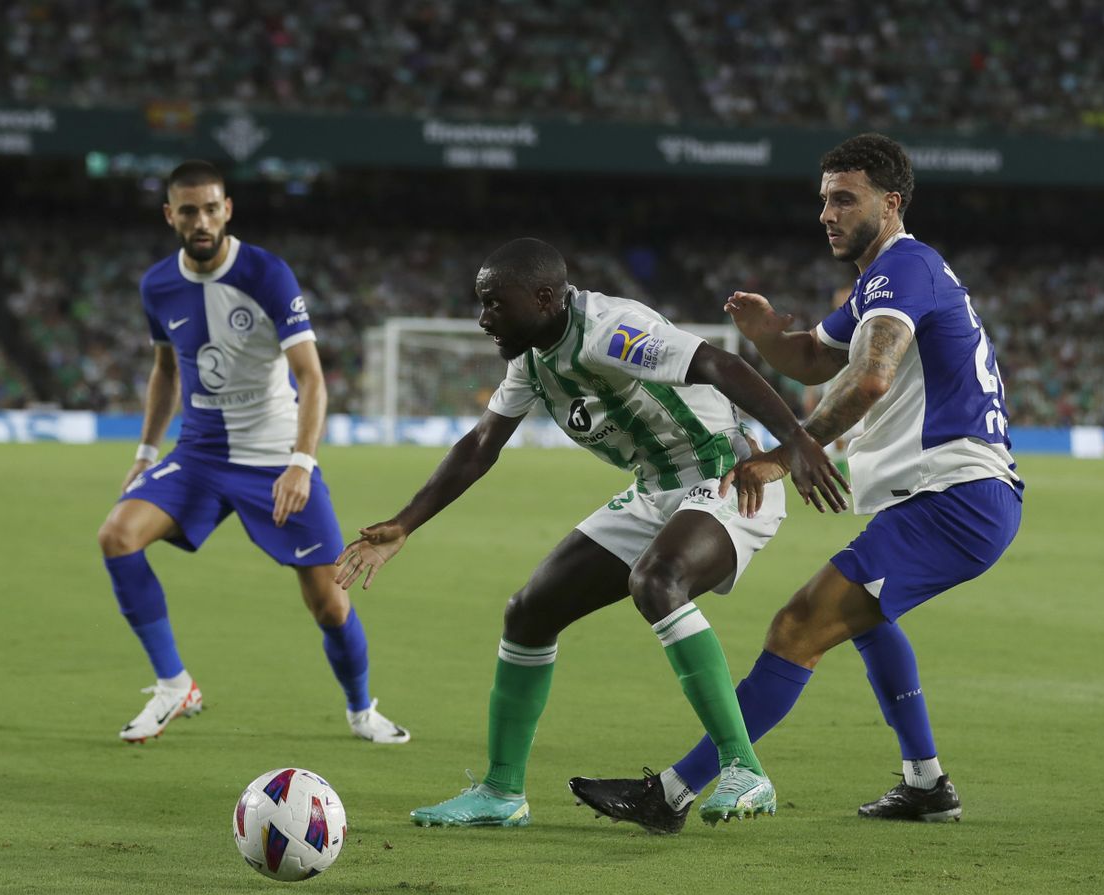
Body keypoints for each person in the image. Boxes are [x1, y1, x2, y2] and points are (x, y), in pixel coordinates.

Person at [570, 133, 1023, 831]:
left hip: (954, 497)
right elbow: (816, 359)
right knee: (869, 624)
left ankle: (671, 793)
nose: (827, 214)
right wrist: (767, 337)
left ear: (891, 203)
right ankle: (926, 784)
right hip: (953, 497)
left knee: (796, 627)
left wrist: (786, 454)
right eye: (824, 201)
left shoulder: (902, 270)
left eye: (845, 199)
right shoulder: (889, 276)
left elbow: (871, 377)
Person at [333, 237, 847, 827]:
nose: (483, 318)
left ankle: (744, 769)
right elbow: (480, 446)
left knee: (657, 581)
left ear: (546, 298)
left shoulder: (609, 330)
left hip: (727, 475)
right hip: (656, 488)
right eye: (482, 303)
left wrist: (798, 444)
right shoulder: (530, 359)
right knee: (528, 613)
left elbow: (719, 364)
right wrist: (403, 524)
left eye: (496, 304)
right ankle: (502, 794)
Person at [96, 160, 408, 745]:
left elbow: (312, 379)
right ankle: (173, 686)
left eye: (211, 207)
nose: (201, 220)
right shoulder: (157, 285)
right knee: (116, 535)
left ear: (227, 209)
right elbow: (164, 371)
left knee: (330, 606)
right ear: (170, 216)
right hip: (200, 455)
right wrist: (145, 449)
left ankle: (362, 709)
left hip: (275, 459)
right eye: (188, 210)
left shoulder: (267, 274)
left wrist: (300, 463)